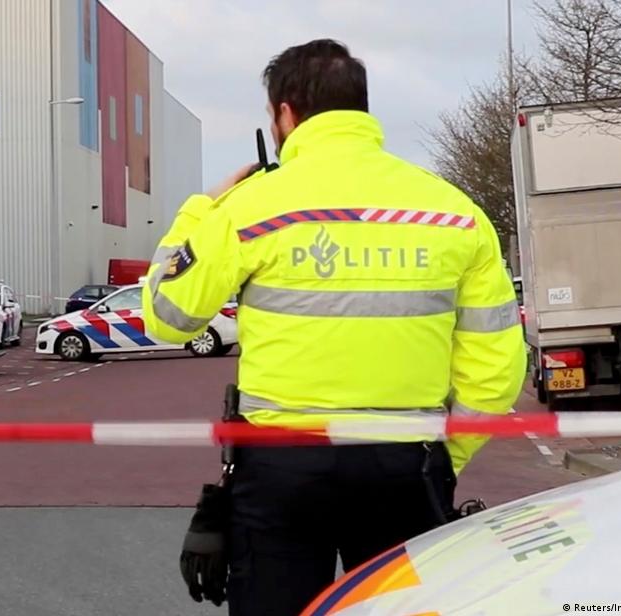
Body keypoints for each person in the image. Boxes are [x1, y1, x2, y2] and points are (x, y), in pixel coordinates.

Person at [143, 39, 525, 615]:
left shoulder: (251, 209)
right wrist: (448, 455)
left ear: (285, 114)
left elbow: (167, 319)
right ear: (359, 109)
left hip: (280, 468)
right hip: (406, 463)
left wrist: (201, 210)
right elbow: (495, 361)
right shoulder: (453, 211)